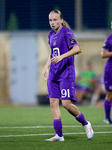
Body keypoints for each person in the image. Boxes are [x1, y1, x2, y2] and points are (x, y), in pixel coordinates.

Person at [43, 10, 94, 141]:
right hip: (54, 74)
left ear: (61, 20)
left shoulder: (66, 32)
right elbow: (52, 54)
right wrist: (46, 66)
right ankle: (59, 135)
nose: (52, 23)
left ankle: (86, 124)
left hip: (66, 73)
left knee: (66, 104)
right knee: (53, 103)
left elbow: (76, 48)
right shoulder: (50, 35)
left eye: (55, 20)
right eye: (50, 20)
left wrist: (62, 57)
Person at [101, 21, 112, 124]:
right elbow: (103, 54)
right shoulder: (109, 39)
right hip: (110, 69)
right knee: (110, 94)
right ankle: (107, 118)